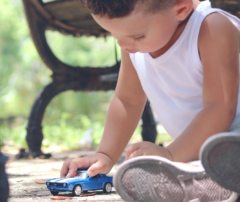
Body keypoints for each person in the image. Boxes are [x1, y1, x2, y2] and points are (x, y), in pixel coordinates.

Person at [61, 0, 240, 201]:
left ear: (181, 9)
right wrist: (105, 155)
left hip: (233, 141)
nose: (122, 44)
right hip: (203, 152)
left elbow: (220, 107)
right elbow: (127, 100)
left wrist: (170, 155)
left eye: (138, 36)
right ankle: (205, 183)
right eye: (114, 34)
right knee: (202, 163)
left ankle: (209, 179)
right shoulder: (133, 43)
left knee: (229, 152)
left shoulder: (212, 27)